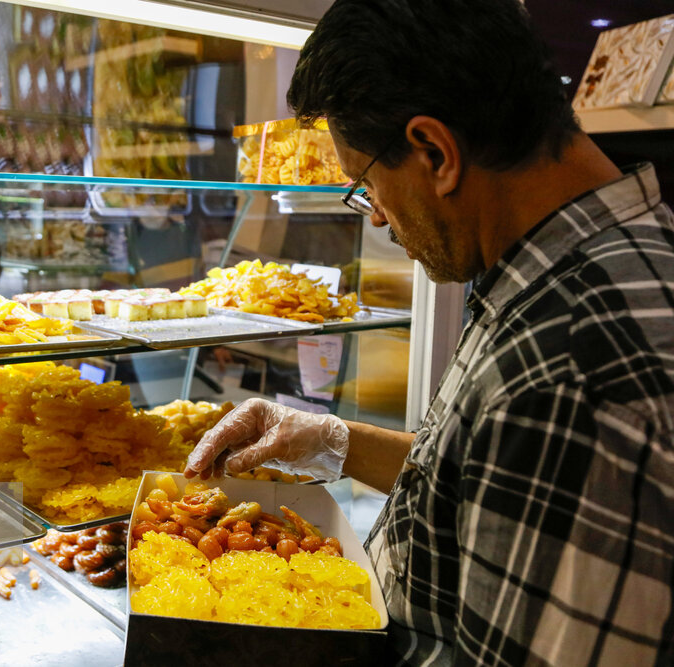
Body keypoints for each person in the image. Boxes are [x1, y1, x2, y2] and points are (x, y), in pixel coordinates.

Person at [184, 1, 674, 664]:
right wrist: (332, 439)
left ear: (435, 152)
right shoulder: (572, 270)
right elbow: (489, 476)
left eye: (368, 184)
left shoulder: (572, 374)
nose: (378, 218)